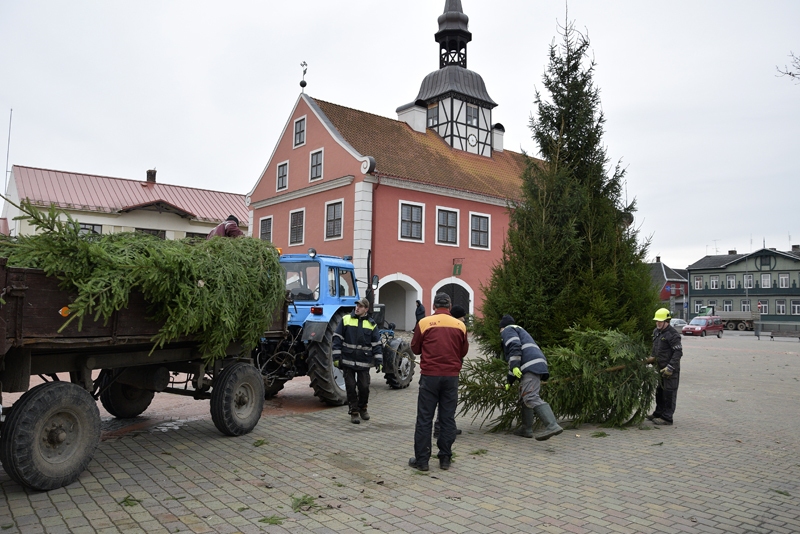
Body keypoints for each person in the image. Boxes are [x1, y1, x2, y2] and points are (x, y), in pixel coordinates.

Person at [409, 293, 469, 471]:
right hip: (451, 377)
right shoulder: (460, 325)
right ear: (449, 306)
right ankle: (445, 459)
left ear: (434, 306)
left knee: (424, 418)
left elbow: (415, 348)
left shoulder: (424, 323)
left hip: (430, 376)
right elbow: (463, 351)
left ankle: (422, 461)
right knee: (447, 418)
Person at [500, 314, 563, 441]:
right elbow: (514, 361)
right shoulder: (520, 331)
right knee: (525, 398)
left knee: (530, 396)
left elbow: (514, 346)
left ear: (502, 327)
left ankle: (552, 425)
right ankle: (526, 429)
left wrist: (515, 366)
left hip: (530, 366)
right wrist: (509, 381)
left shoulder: (508, 330)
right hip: (535, 364)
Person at [332, 298, 383, 424]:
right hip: (347, 360)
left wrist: (379, 360)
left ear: (366, 309)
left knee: (364, 387)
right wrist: (336, 357)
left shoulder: (372, 324)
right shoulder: (346, 319)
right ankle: (354, 412)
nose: (357, 308)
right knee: (350, 387)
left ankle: (363, 408)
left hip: (363, 362)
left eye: (360, 306)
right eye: (357, 306)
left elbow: (377, 344)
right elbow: (337, 338)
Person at [433, 304, 466, 439]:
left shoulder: (453, 327)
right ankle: (441, 428)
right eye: (462, 317)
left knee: (446, 402)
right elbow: (462, 349)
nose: (464, 320)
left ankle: (445, 427)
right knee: (447, 402)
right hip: (449, 372)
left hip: (443, 370)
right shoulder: (457, 328)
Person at [646, 308, 683, 426]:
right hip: (660, 368)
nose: (658, 323)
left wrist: (670, 367)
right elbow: (655, 349)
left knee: (669, 393)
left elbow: (678, 352)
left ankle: (667, 418)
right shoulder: (656, 332)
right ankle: (658, 413)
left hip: (671, 370)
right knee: (660, 392)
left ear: (667, 321)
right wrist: (650, 359)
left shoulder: (673, 335)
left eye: (660, 321)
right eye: (657, 321)